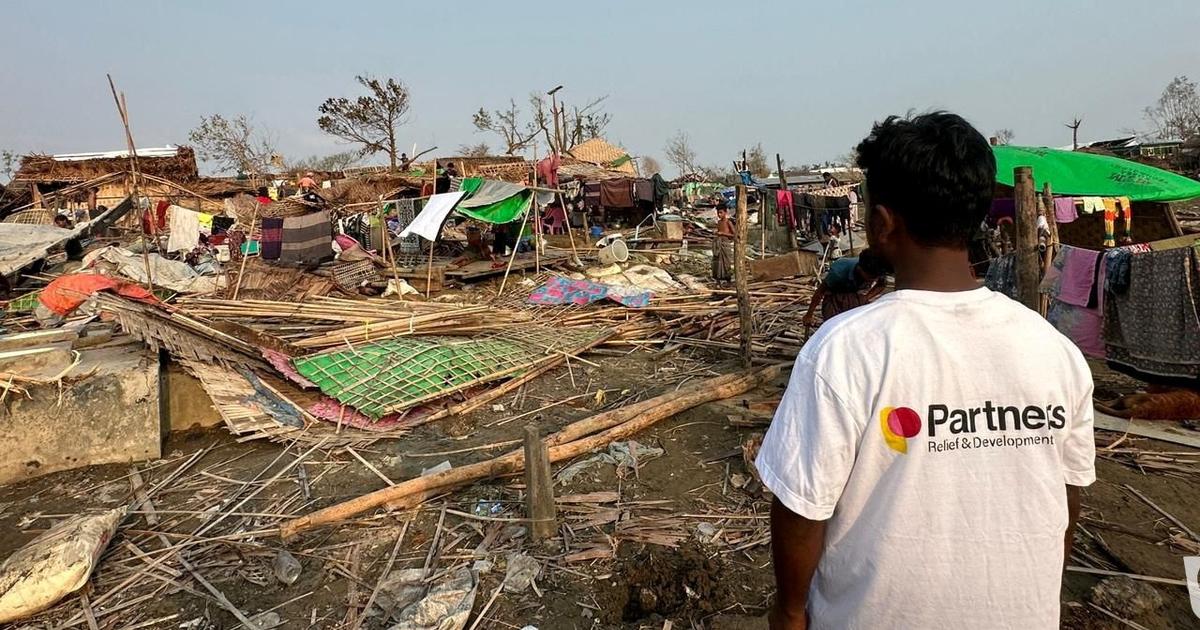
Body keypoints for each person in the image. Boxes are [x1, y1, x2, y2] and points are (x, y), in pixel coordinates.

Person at [757, 112, 1094, 630]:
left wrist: (790, 610)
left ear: (882, 224)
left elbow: (803, 506)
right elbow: (1064, 506)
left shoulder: (845, 350)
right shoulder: (1055, 352)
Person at [801, 248, 887, 327]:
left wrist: (866, 297)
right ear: (860, 268)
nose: (871, 280)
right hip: (834, 297)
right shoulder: (838, 273)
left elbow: (881, 284)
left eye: (874, 278)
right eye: (870, 277)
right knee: (833, 325)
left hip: (854, 294)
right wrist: (809, 314)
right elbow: (820, 292)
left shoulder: (878, 268)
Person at [711, 202, 734, 285]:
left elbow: (734, 235)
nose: (719, 215)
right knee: (717, 262)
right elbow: (719, 231)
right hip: (718, 244)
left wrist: (723, 234)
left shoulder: (728, 222)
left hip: (725, 244)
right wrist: (716, 233)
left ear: (725, 212)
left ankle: (728, 280)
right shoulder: (719, 222)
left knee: (726, 263)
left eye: (721, 212)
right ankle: (718, 280)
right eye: (718, 213)